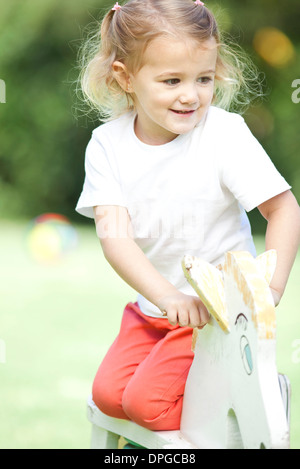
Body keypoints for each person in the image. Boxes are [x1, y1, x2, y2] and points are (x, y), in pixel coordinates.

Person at [76, 0, 300, 432]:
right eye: (171, 80)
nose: (190, 94)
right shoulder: (107, 145)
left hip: (214, 317)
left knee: (147, 406)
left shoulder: (224, 134)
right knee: (108, 398)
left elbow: (283, 208)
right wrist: (167, 298)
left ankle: (260, 392)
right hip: (154, 310)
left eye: (204, 79)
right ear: (125, 78)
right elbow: (115, 237)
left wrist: (269, 287)